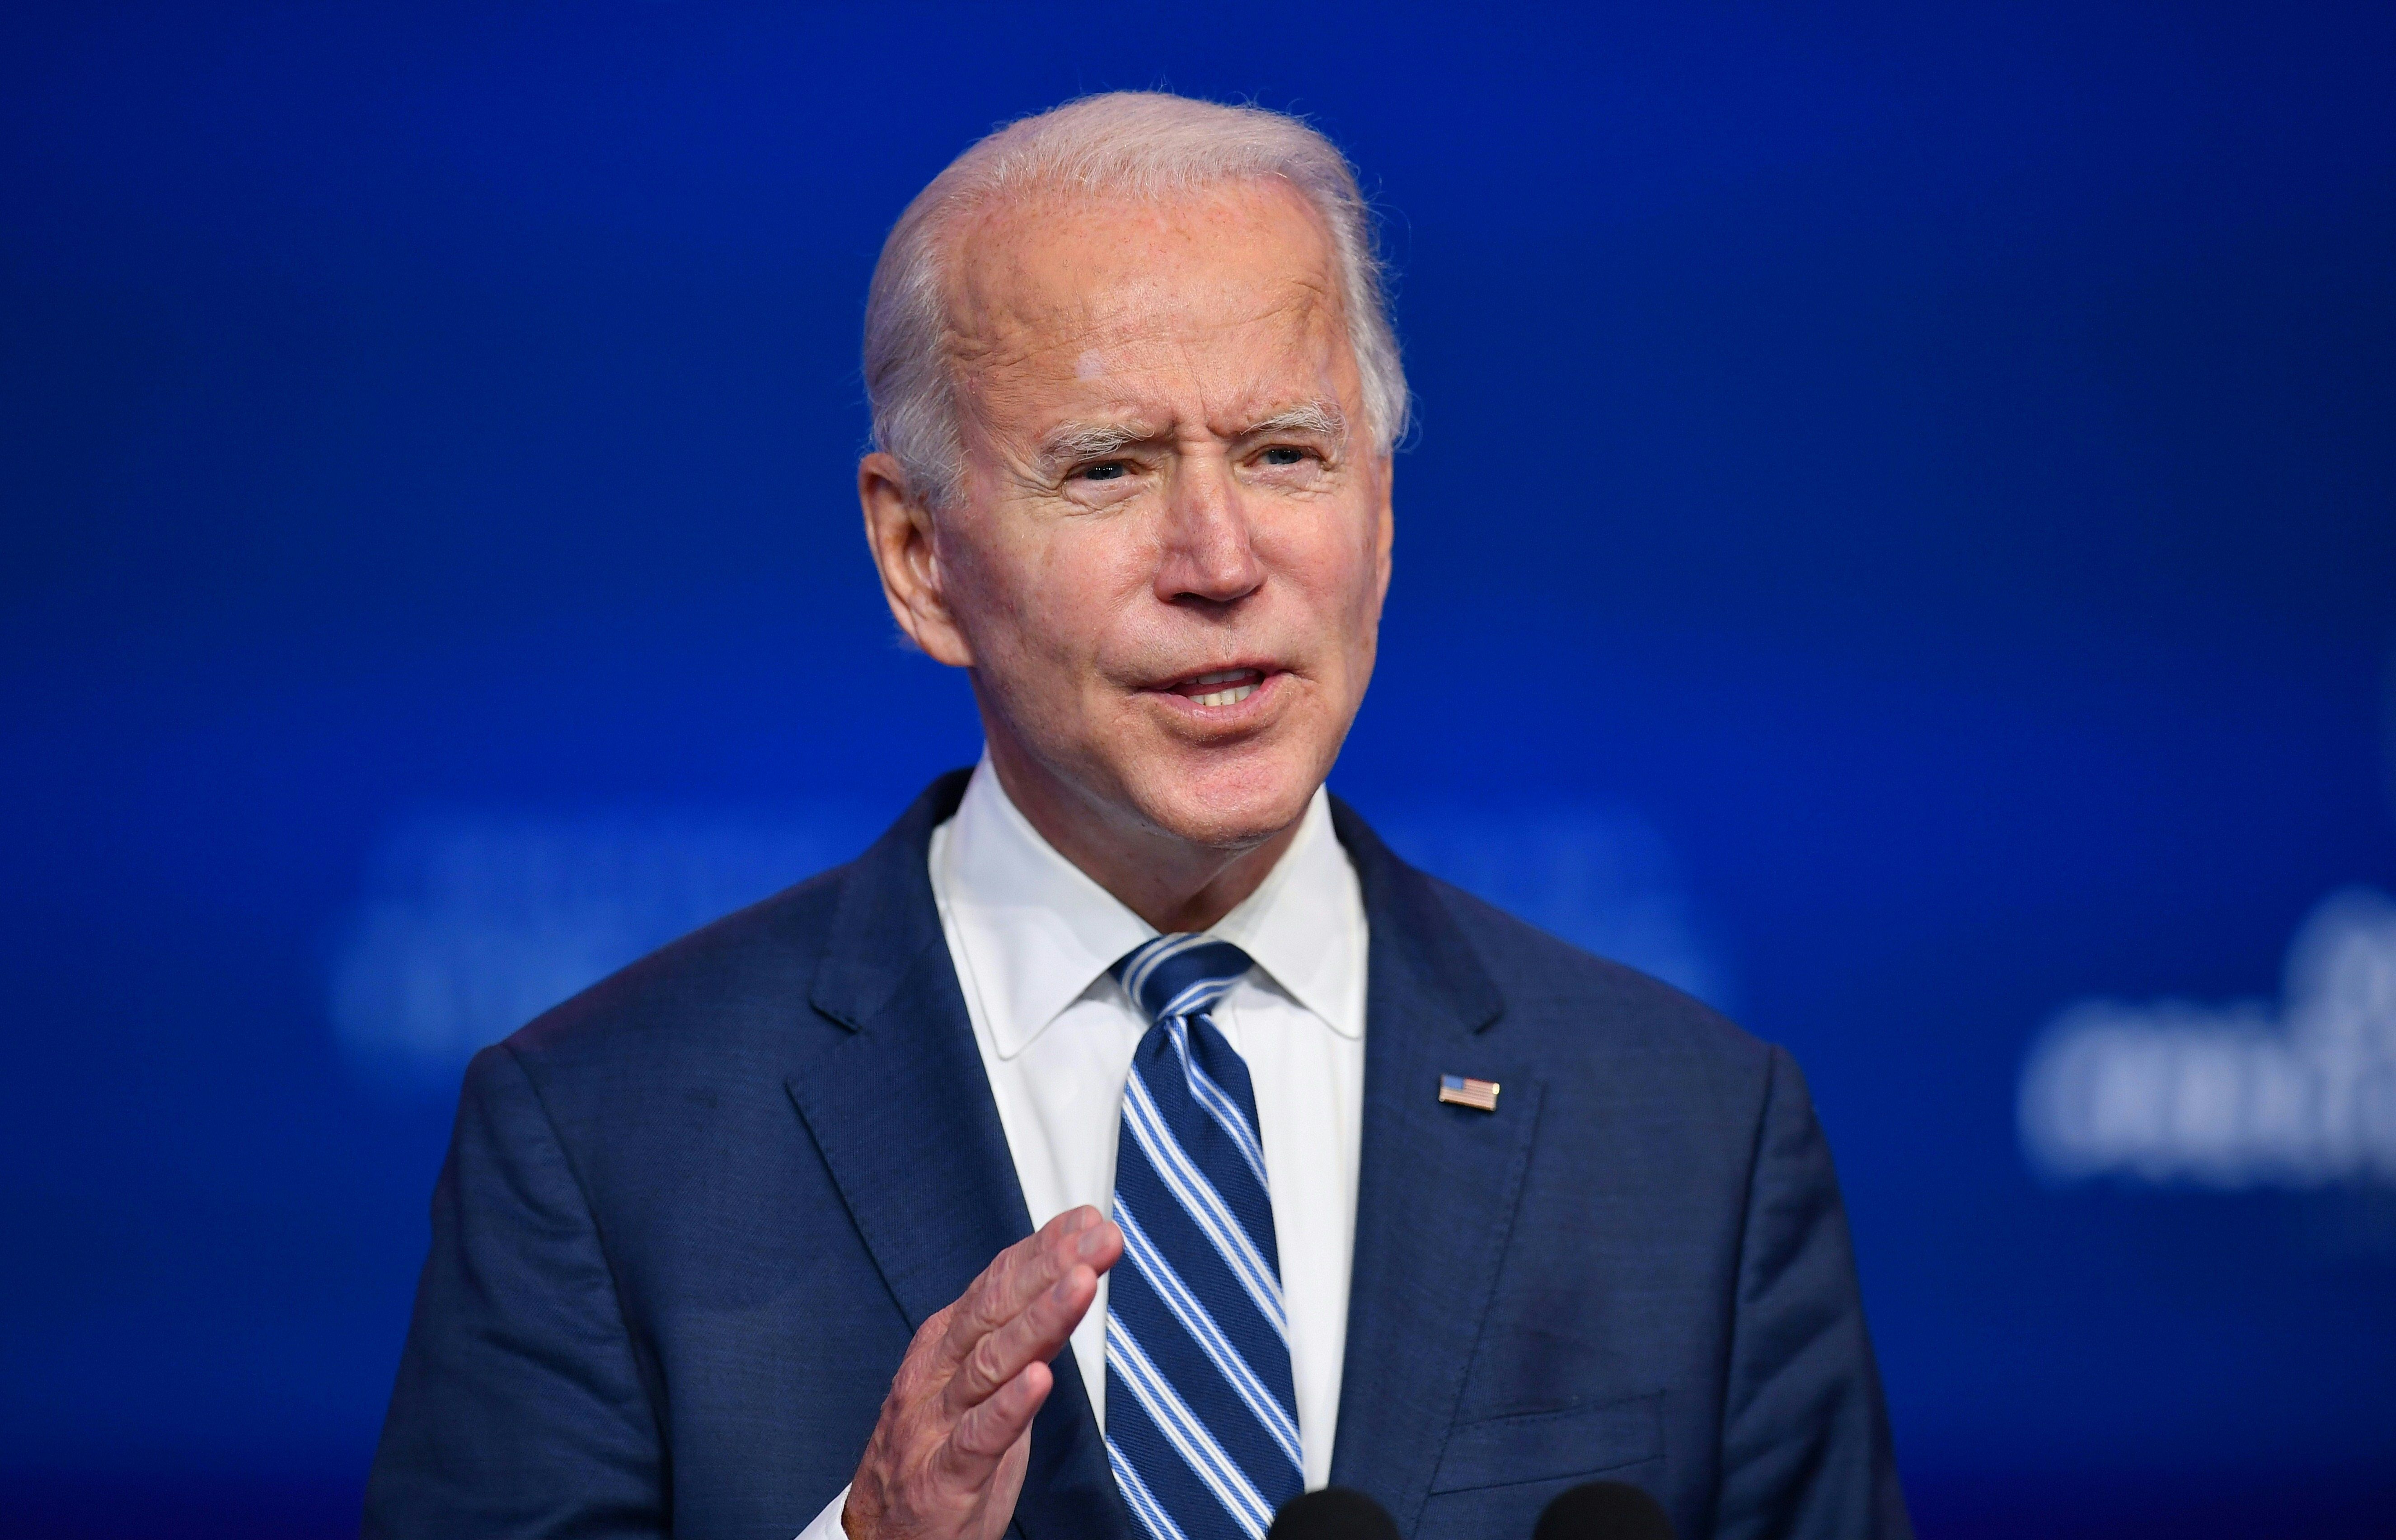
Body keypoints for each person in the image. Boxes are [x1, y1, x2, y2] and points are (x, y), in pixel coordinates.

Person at [364, 92, 1909, 1540]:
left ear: (1379, 508)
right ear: (917, 557)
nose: (1220, 556)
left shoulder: (1697, 1140)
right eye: (1108, 469)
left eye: (1284, 454)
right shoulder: (599, 1138)